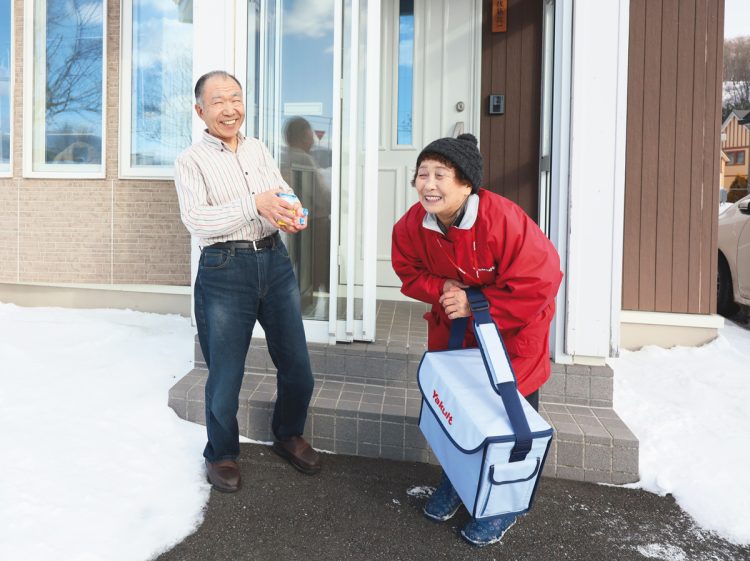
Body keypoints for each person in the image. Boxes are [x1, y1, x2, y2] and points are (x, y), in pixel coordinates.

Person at [391, 133, 562, 546]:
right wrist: (441, 288)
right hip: (454, 333)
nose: (428, 184)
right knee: (460, 411)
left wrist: (475, 302)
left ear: (467, 184)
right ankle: (458, 480)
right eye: (422, 174)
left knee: (506, 416)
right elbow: (409, 271)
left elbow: (543, 280)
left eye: (440, 175)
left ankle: (503, 504)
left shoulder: (503, 220)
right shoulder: (413, 224)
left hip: (514, 331)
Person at [174, 70, 321, 493]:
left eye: (235, 98)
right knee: (226, 373)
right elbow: (197, 221)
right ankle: (221, 453)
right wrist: (254, 203)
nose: (229, 108)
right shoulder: (191, 160)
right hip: (224, 269)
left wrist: (292, 213)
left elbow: (280, 192)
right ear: (201, 110)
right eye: (218, 101)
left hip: (274, 261)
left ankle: (288, 433)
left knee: (297, 366)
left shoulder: (258, 148)